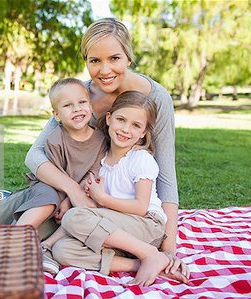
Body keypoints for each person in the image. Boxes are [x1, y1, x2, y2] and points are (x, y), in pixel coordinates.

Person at [24, 17, 189, 280]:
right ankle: (138, 261)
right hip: (89, 201)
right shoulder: (80, 97)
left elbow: (166, 175)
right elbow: (34, 155)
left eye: (114, 58)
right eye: (94, 61)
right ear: (86, 61)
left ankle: (152, 254)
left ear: (128, 57)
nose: (105, 70)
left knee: (72, 222)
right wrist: (72, 191)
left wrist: (170, 249)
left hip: (117, 211)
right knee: (60, 245)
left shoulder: (155, 99)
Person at [0, 78, 107, 270]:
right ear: (56, 115)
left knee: (70, 216)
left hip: (75, 195)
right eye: (68, 105)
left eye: (82, 102)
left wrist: (69, 201)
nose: (77, 109)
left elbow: (93, 172)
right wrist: (64, 198)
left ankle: (40, 248)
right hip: (49, 187)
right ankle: (13, 238)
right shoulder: (55, 139)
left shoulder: (100, 140)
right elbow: (53, 175)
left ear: (91, 107)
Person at [49, 91, 171, 286]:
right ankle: (138, 263)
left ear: (144, 132)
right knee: (63, 250)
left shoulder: (140, 159)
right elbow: (84, 189)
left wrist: (102, 199)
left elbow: (141, 207)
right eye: (121, 120)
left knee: (74, 217)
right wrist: (66, 200)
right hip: (117, 233)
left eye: (136, 125)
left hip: (147, 226)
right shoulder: (102, 159)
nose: (125, 129)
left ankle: (150, 253)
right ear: (108, 118)